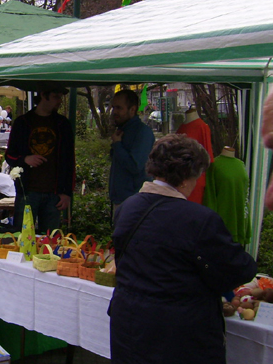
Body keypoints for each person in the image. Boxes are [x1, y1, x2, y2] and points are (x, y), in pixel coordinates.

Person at [109, 134, 256, 364]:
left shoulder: (127, 208)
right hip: (177, 336)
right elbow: (239, 270)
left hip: (129, 325)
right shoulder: (198, 219)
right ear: (187, 177)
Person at [5, 85, 74, 232]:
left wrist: (67, 192)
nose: (59, 101)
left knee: (49, 243)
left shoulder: (63, 124)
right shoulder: (22, 123)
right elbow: (9, 155)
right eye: (56, 97)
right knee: (20, 237)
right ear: (44, 95)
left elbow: (70, 161)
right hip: (27, 193)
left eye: (61, 97)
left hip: (54, 194)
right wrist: (25, 159)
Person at [109, 89, 155, 208]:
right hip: (121, 199)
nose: (115, 112)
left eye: (119, 108)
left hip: (135, 201)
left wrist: (118, 145)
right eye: (113, 107)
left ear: (132, 109)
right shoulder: (123, 130)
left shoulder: (142, 132)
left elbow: (135, 166)